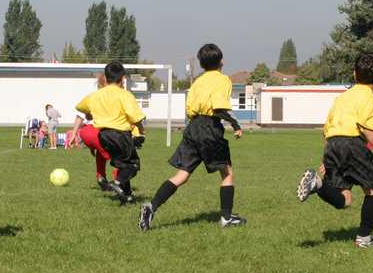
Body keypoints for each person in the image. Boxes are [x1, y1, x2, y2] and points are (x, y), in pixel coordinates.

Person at [295, 53, 373, 249]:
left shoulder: (341, 98)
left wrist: (326, 159)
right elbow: (366, 127)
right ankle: (364, 238)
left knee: (345, 199)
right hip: (352, 144)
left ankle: (318, 184)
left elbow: (328, 129)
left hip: (333, 144)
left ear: (354, 74)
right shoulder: (371, 98)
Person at [138, 43, 245, 231]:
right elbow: (219, 107)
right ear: (221, 62)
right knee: (227, 173)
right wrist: (236, 125)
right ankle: (227, 218)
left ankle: (151, 206)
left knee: (182, 175)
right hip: (210, 129)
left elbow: (189, 109)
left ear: (201, 64)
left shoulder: (197, 81)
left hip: (193, 127)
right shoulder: (223, 80)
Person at [74, 61, 145, 204]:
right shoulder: (125, 95)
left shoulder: (95, 95)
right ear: (123, 78)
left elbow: (80, 107)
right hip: (121, 135)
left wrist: (91, 113)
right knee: (133, 165)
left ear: (105, 78)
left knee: (122, 164)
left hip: (103, 136)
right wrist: (141, 131)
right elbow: (135, 117)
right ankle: (116, 183)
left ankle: (127, 196)